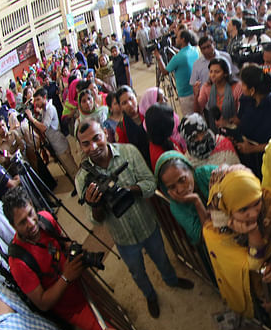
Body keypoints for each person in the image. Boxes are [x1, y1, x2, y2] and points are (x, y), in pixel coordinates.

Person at [76, 119, 194, 319]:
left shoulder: (129, 152)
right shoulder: (83, 179)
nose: (93, 147)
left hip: (147, 225)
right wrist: (96, 205)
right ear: (80, 147)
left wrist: (129, 190)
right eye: (86, 143)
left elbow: (150, 184)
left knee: (162, 258)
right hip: (123, 239)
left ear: (105, 133)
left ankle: (171, 279)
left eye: (96, 138)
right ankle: (150, 296)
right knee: (137, 272)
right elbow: (95, 221)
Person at [1, 186, 103, 330]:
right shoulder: (18, 263)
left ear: (31, 204)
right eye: (22, 222)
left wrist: (73, 251)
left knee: (112, 311)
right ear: (13, 225)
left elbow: (64, 243)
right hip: (73, 308)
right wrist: (66, 277)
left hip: (84, 282)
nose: (31, 224)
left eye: (30, 213)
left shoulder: (45, 219)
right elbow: (43, 303)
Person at [202, 165, 271, 318]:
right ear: (227, 208)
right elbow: (254, 264)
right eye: (243, 210)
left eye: (256, 202)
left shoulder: (269, 201)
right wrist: (253, 232)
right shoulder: (215, 233)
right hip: (252, 288)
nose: (253, 213)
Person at [154, 151, 214, 249]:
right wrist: (197, 201)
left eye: (182, 180)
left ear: (190, 169)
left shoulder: (207, 173)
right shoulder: (176, 207)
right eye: (172, 187)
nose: (181, 189)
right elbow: (206, 235)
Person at [26, 88, 80, 182]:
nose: (36, 103)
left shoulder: (50, 109)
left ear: (44, 97)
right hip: (56, 145)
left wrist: (31, 118)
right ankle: (76, 185)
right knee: (68, 168)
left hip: (60, 144)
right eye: (35, 100)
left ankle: (81, 186)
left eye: (38, 99)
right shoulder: (44, 110)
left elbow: (44, 127)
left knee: (72, 169)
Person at [159, 29, 200, 115]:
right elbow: (183, 54)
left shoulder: (177, 58)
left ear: (183, 39)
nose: (175, 39)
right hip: (196, 89)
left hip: (185, 94)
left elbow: (164, 71)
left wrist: (158, 57)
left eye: (177, 37)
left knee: (189, 117)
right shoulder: (194, 50)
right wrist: (172, 49)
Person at [197, 57, 243, 129]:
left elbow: (243, 112)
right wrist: (196, 94)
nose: (213, 75)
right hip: (214, 125)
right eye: (211, 72)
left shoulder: (237, 87)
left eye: (217, 72)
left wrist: (227, 123)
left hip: (234, 125)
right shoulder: (206, 87)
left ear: (225, 73)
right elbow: (198, 110)